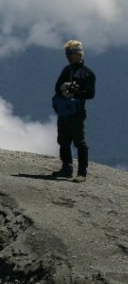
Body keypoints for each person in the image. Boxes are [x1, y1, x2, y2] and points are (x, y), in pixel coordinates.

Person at [52, 39, 96, 180]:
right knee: (63, 139)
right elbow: (57, 87)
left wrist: (75, 92)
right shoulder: (66, 70)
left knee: (79, 141)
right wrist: (64, 89)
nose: (68, 56)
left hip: (77, 111)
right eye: (67, 53)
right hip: (64, 110)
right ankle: (67, 168)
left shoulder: (87, 73)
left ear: (78, 54)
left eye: (70, 53)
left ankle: (82, 172)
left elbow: (90, 94)